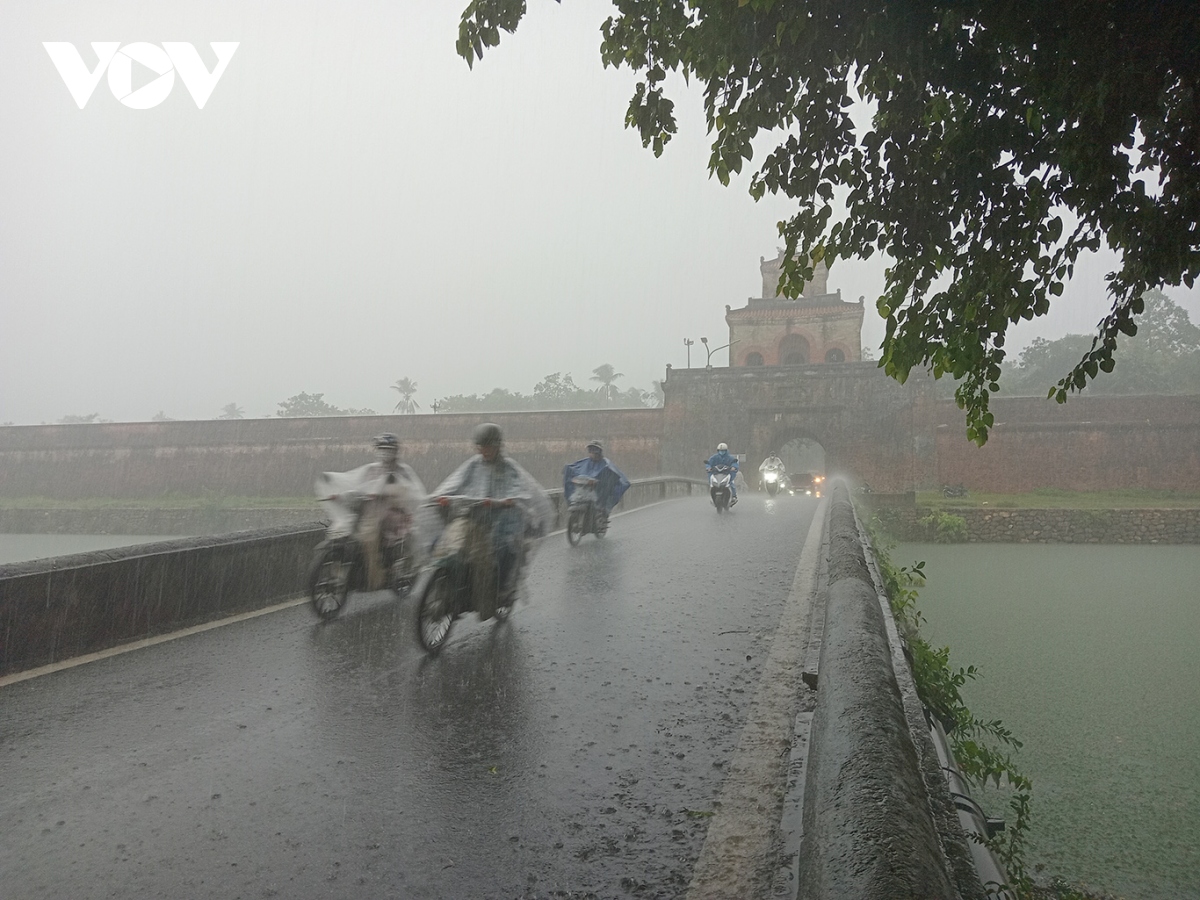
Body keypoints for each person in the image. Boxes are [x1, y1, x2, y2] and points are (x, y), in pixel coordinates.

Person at [422, 423, 553, 609]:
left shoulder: (508, 468)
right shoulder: (473, 465)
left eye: (489, 446)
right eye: (481, 446)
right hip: (474, 517)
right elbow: (454, 484)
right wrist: (440, 497)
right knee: (446, 543)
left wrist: (507, 501)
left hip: (502, 519)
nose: (485, 451)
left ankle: (503, 589)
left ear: (498, 446)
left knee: (504, 548)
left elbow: (520, 489)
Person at [314, 433, 427, 590]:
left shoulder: (402, 471)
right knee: (341, 531)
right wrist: (337, 493)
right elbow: (354, 484)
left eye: (388, 449)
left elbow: (413, 492)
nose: (384, 453)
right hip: (369, 512)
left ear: (395, 451)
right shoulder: (371, 469)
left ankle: (377, 576)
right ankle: (344, 572)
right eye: (381, 449)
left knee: (369, 537)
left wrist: (389, 491)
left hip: (393, 514)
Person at [562, 440, 631, 528]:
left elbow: (612, 475)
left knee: (601, 504)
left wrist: (601, 482)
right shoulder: (584, 462)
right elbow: (573, 468)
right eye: (591, 450)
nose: (592, 453)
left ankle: (602, 514)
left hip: (598, 491)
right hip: (584, 490)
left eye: (595, 450)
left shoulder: (606, 464)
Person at [706, 442, 740, 506]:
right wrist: (708, 468)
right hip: (716, 474)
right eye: (720, 451)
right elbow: (709, 463)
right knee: (711, 484)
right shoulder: (714, 457)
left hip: (727, 474)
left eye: (723, 451)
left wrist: (733, 467)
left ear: (726, 451)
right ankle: (712, 497)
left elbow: (734, 463)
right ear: (718, 451)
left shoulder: (730, 458)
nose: (722, 452)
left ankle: (734, 496)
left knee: (731, 483)